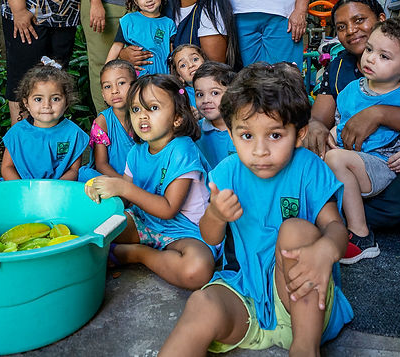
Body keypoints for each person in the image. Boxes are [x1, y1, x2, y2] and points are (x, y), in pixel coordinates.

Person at [160, 63, 352, 356]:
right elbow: (210, 237)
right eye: (247, 136)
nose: (260, 151)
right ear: (231, 134)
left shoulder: (309, 168)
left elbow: (335, 226)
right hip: (245, 293)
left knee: (295, 230)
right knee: (202, 303)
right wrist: (216, 215)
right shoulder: (226, 172)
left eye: (275, 135)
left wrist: (326, 249)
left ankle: (304, 348)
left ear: (299, 134)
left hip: (301, 302)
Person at [305, 0, 400, 249]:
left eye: (359, 20)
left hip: (392, 165)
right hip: (354, 162)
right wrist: (320, 133)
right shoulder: (344, 77)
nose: (351, 30)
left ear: (380, 19)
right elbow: (330, 121)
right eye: (341, 26)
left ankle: (356, 230)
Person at [85, 74, 217, 289]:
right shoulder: (136, 152)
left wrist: (124, 188)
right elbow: (126, 201)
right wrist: (103, 190)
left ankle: (137, 254)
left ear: (177, 118)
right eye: (136, 109)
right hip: (144, 222)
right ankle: (131, 249)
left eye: (153, 108)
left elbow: (168, 209)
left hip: (187, 232)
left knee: (196, 270)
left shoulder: (182, 149)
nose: (142, 116)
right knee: (92, 229)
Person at [325, 17, 400, 264]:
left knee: (335, 159)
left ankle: (362, 236)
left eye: (384, 56)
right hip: (350, 158)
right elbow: (340, 123)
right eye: (370, 49)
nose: (370, 59)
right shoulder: (351, 90)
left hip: (382, 165)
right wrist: (329, 136)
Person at [0, 64, 88, 181]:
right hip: (20, 188)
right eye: (38, 99)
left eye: (55, 99)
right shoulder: (17, 133)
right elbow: (7, 167)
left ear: (66, 102)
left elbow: (74, 170)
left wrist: (53, 188)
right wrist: (23, 188)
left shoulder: (74, 133)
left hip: (60, 188)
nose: (46, 105)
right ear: (26, 103)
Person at [106, 0, 175, 76]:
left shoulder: (168, 24)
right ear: (135, 0)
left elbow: (172, 53)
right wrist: (107, 72)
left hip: (162, 78)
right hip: (136, 78)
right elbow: (116, 47)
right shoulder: (128, 21)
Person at [78, 59, 137, 182]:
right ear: (103, 94)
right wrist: (126, 184)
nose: (114, 91)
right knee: (85, 174)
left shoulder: (145, 115)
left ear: (135, 86)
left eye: (121, 83)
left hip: (143, 176)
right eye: (107, 86)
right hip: (115, 179)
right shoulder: (102, 122)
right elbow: (101, 164)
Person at [193, 61, 236, 171]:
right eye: (200, 94)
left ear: (232, 94)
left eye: (215, 93)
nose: (206, 100)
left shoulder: (244, 129)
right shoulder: (195, 131)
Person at [172, 43, 206, 107]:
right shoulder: (182, 95)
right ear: (179, 76)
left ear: (205, 61)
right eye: (183, 65)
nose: (191, 65)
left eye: (195, 59)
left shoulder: (220, 83)